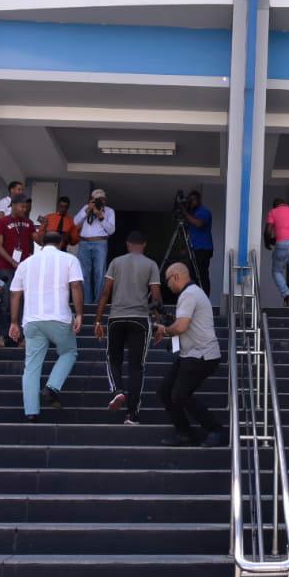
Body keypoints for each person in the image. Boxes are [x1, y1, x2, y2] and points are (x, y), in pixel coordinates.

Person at [8, 231, 84, 422]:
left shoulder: (25, 264)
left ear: (41, 243)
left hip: (31, 320)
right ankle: (52, 387)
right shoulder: (69, 259)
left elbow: (15, 294)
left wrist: (14, 322)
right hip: (59, 318)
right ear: (61, 243)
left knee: (32, 366)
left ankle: (31, 412)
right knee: (69, 352)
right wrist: (80, 314)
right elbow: (76, 286)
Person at [93, 230, 162, 425]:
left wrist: (98, 320)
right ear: (144, 245)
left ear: (127, 244)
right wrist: (158, 324)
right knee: (136, 367)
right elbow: (156, 298)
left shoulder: (116, 262)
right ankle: (132, 415)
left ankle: (117, 390)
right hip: (140, 319)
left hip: (116, 318)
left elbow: (106, 292)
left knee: (113, 359)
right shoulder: (151, 264)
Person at [155, 262, 225, 447]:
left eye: (168, 280)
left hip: (201, 354)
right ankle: (185, 433)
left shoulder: (189, 294)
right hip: (191, 354)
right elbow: (184, 325)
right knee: (165, 391)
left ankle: (216, 430)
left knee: (180, 395)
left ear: (176, 277)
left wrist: (164, 329)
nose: (168, 285)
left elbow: (181, 327)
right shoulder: (193, 293)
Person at [0, 193, 35, 346]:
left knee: (23, 301)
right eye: (22, 206)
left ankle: (22, 337)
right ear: (14, 205)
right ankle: (2, 336)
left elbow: (38, 240)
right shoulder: (2, 222)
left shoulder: (29, 223)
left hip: (23, 269)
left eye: (26, 207)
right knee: (4, 301)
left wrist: (43, 228)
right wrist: (11, 260)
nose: (25, 209)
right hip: (4, 268)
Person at [76, 188, 116, 306]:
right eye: (97, 200)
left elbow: (111, 230)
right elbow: (75, 222)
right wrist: (87, 209)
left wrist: (100, 216)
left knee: (100, 272)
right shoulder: (85, 208)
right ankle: (87, 302)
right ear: (91, 200)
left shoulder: (109, 211)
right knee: (84, 273)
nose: (100, 201)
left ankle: (98, 302)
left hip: (100, 242)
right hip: (84, 243)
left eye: (102, 199)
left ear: (105, 200)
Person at [181, 190, 213, 296]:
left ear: (199, 200)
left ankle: (204, 297)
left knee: (202, 275)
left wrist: (185, 213)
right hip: (194, 248)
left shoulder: (204, 211)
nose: (192, 203)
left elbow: (199, 224)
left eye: (193, 200)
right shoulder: (192, 213)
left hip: (203, 248)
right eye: (190, 201)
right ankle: (195, 297)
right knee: (193, 275)